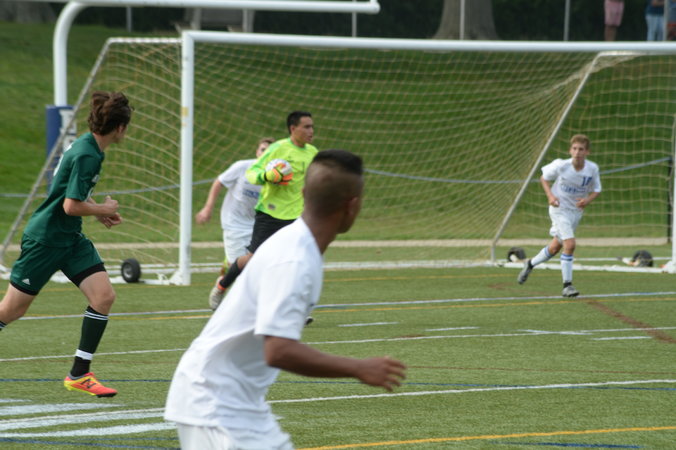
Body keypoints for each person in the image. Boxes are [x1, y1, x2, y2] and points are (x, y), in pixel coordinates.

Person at [164, 149, 407, 449]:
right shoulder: (294, 259)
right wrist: (358, 368)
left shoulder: (296, 244)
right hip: (214, 401)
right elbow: (278, 350)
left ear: (303, 194)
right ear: (352, 206)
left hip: (228, 399)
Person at [0, 91, 132, 397]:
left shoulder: (88, 146)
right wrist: (103, 208)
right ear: (120, 128)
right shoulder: (88, 154)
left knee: (103, 296)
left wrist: (97, 211)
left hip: (70, 238)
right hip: (46, 240)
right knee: (11, 309)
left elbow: (73, 194)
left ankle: (79, 374)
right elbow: (70, 205)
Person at [208, 111, 318, 310]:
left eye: (312, 127)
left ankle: (294, 308)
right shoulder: (278, 149)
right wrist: (267, 176)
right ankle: (222, 285)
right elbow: (252, 172)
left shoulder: (312, 153)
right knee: (251, 259)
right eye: (307, 127)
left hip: (297, 217)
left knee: (294, 262)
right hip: (270, 214)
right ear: (293, 128)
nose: (311, 131)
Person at [517, 134, 601, 298]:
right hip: (559, 209)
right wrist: (550, 196)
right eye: (574, 149)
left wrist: (587, 200)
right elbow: (544, 178)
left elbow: (597, 189)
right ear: (570, 150)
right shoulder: (561, 165)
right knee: (570, 244)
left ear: (587, 152)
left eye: (581, 149)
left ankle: (530, 264)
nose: (577, 152)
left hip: (575, 212)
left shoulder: (592, 169)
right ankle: (567, 286)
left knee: (555, 247)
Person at [195, 137, 273, 307]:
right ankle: (222, 286)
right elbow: (219, 182)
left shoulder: (275, 176)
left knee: (264, 267)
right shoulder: (242, 167)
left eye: (269, 151)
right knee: (241, 272)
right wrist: (208, 208)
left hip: (258, 225)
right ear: (257, 152)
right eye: (262, 149)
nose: (265, 153)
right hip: (234, 223)